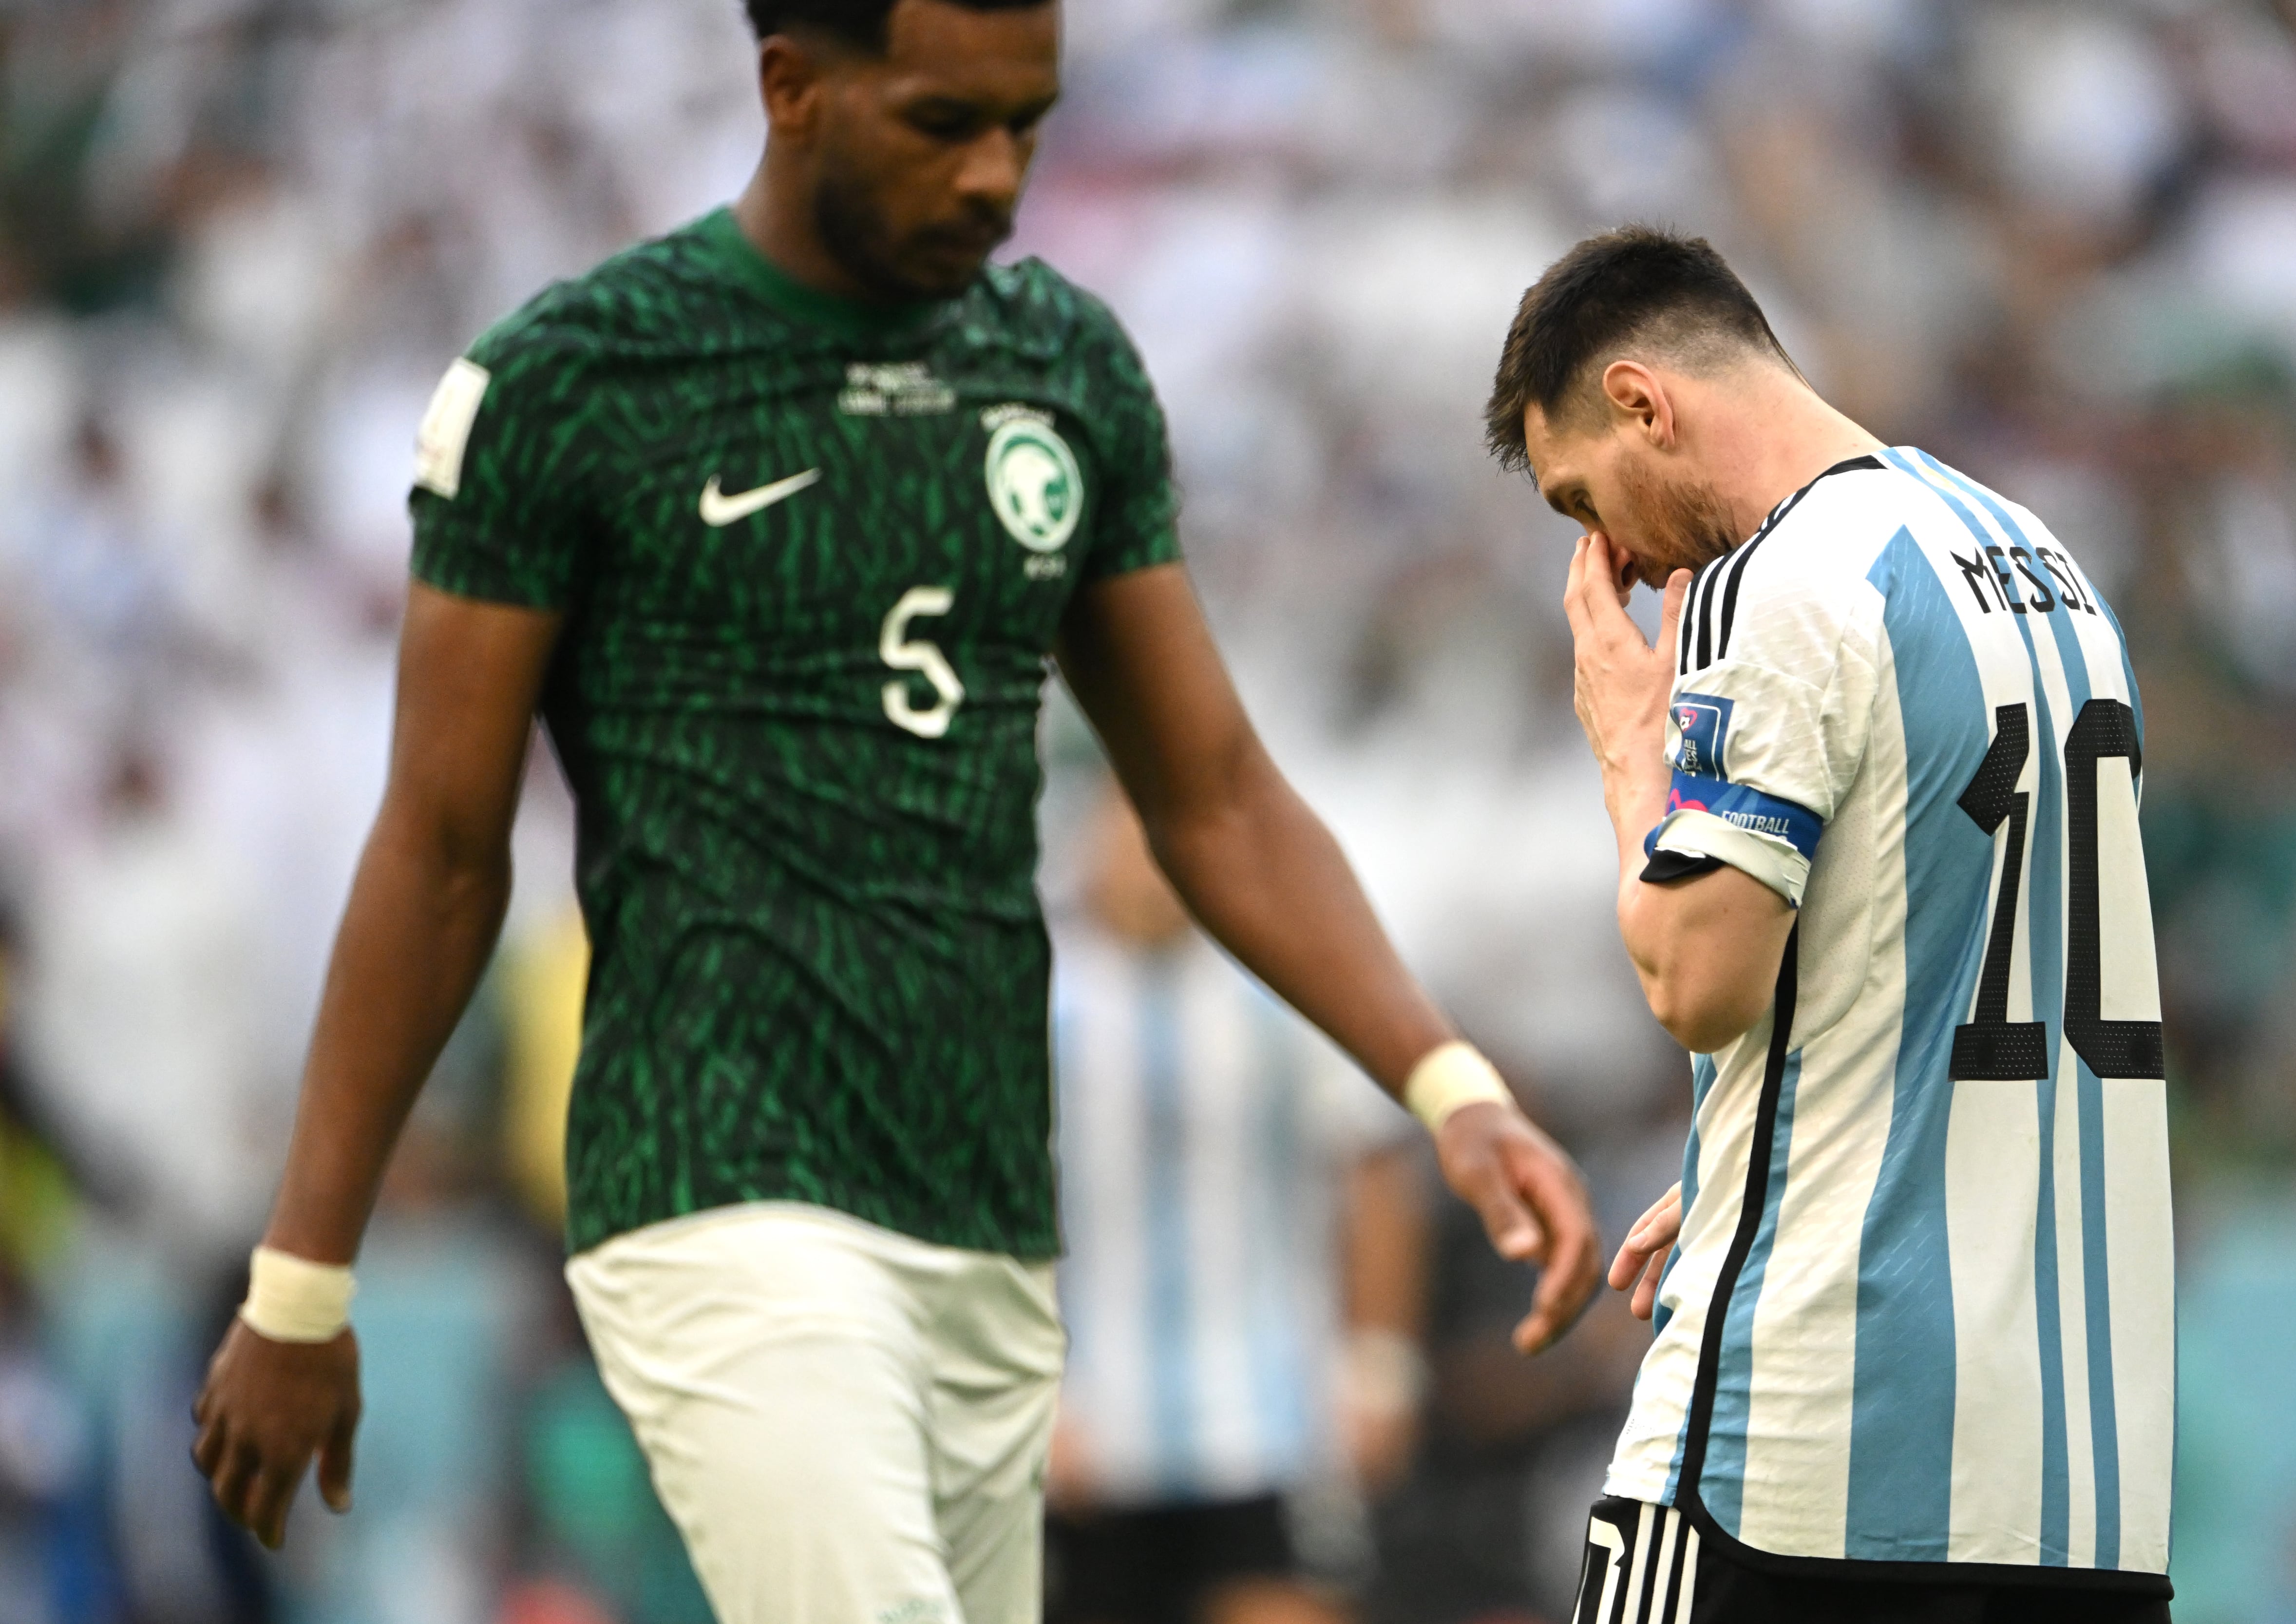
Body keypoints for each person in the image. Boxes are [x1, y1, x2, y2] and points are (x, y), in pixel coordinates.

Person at [187, 4, 1605, 1623]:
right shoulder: (576, 384)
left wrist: (1445, 1078)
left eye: (1029, 123)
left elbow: (1213, 793)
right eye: (944, 124)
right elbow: (439, 851)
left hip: (986, 1221)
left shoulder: (1059, 368)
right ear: (792, 86)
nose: (997, 175)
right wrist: (302, 1279)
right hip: (717, 1187)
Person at [1488, 229, 2174, 1622]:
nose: (1603, 549)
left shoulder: (1782, 578)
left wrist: (1631, 751)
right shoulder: (2041, 562)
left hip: (1803, 1457)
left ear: (1641, 401)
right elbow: (1994, 963)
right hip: (2074, 1488)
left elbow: (1697, 979)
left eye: (1580, 495)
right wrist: (1791, 1141)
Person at [1045, 782, 1428, 1624]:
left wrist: (1379, 1369)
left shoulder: (1284, 991)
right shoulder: (1041, 1003)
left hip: (1272, 1425)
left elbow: (1372, 1169)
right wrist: (1024, 1397)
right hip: (1091, 1434)